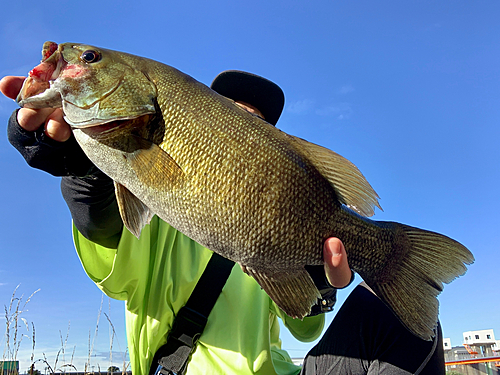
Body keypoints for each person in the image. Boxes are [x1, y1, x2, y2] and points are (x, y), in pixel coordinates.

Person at [1, 70, 444, 374]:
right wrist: (81, 172)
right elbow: (104, 231)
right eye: (230, 112)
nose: (244, 124)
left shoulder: (284, 209)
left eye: (260, 124)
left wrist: (320, 274)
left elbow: (304, 326)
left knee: (402, 316)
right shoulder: (157, 213)